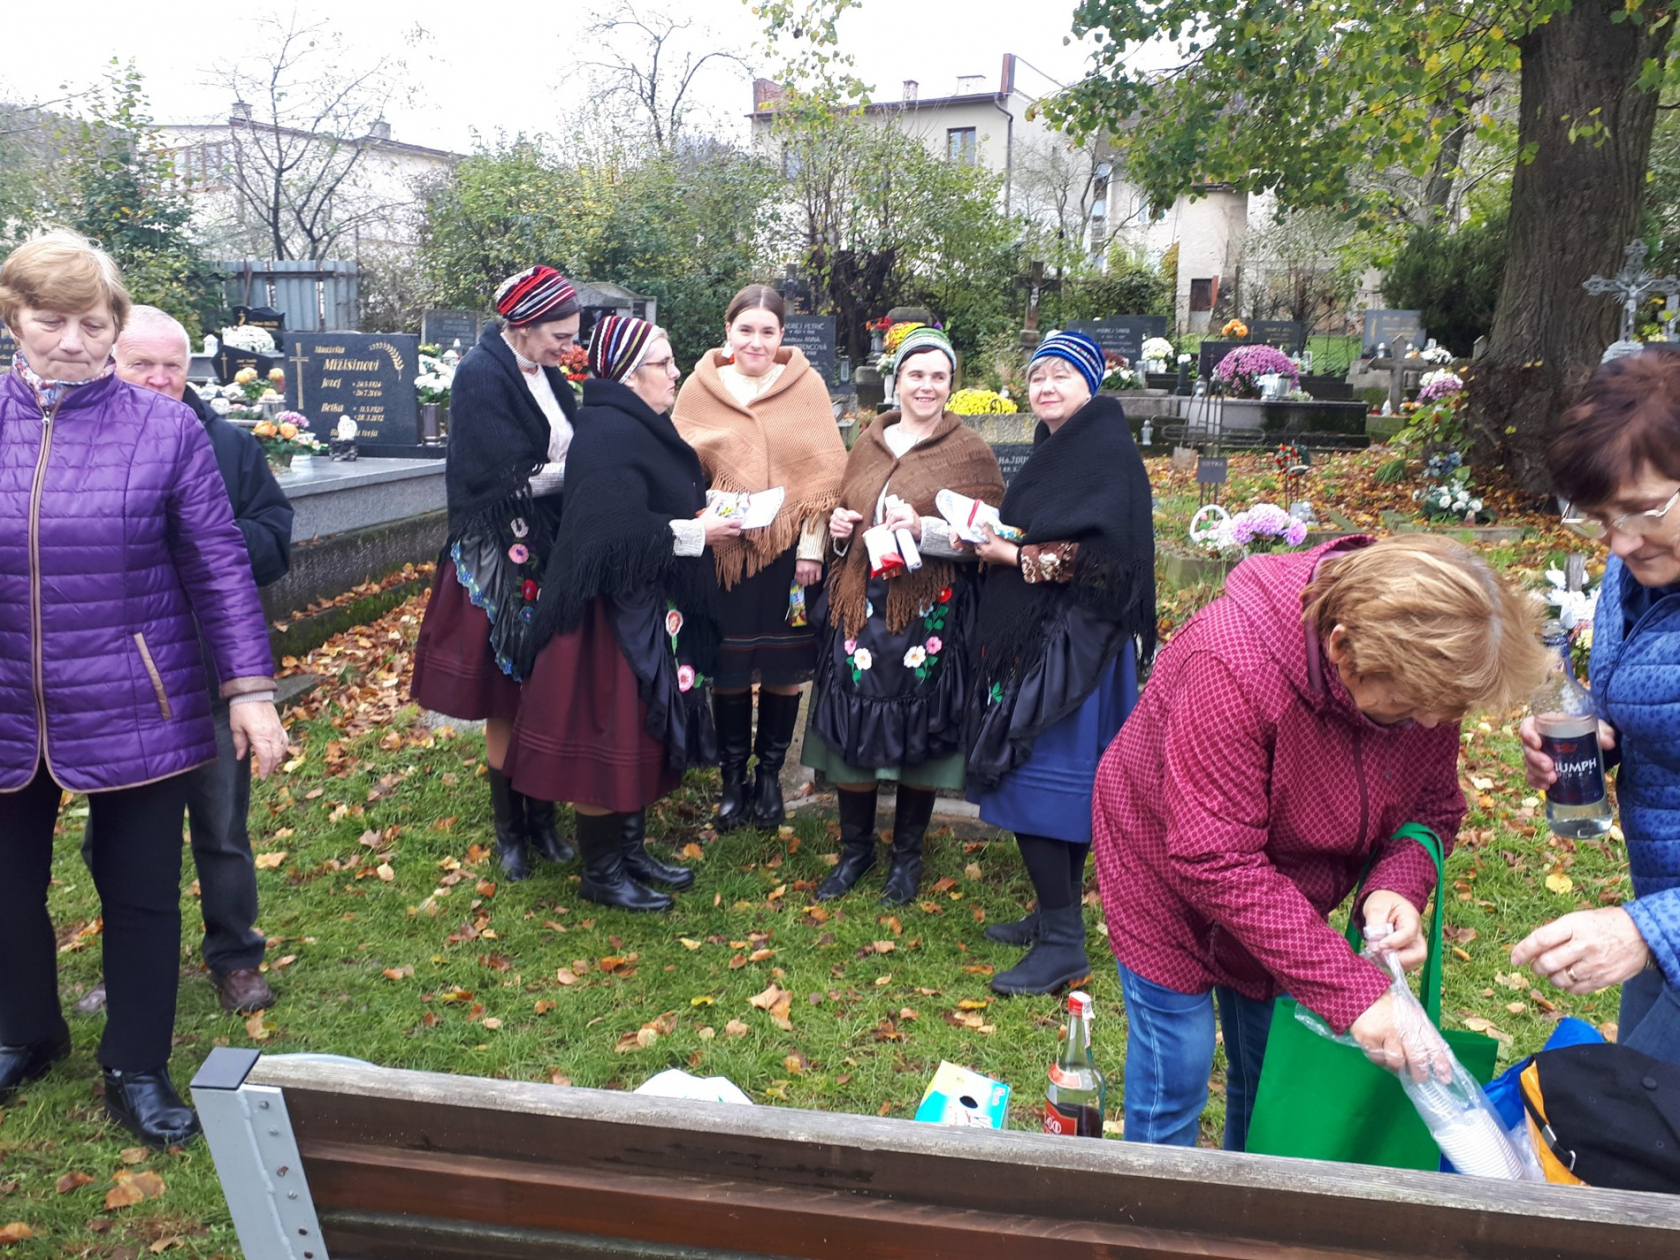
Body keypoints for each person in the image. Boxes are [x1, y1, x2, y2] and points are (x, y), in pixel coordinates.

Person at [1092, 534, 1548, 1150]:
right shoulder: (1230, 661)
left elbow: (1432, 805)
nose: (1430, 724)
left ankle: (1251, 1199)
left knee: (1273, 1068)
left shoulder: (1425, 677)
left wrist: (1397, 884)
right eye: (1409, 709)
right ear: (1341, 648)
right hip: (1163, 871)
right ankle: (1149, 1199)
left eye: (1442, 711)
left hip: (1282, 892)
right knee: (1177, 1061)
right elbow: (1215, 858)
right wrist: (1354, 993)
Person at [0, 231, 287, 1147]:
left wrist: (249, 688)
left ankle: (135, 1063)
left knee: (140, 893)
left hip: (137, 691)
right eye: (52, 321)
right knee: (8, 886)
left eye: (93, 325)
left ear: (115, 325)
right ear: (15, 317)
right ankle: (25, 1030)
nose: (73, 342)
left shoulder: (164, 429)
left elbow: (219, 564)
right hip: (7, 694)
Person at [77, 306, 293, 1018]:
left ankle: (236, 956)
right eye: (143, 365)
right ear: (111, 363)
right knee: (120, 840)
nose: (161, 378)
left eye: (174, 366)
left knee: (222, 831)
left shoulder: (228, 445)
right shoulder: (84, 443)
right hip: (119, 686)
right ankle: (133, 963)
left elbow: (274, 537)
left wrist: (204, 541)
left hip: (207, 677)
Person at [505, 316, 737, 911]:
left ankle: (628, 852)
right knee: (607, 737)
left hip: (637, 604)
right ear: (630, 375)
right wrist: (696, 532)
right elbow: (611, 534)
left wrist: (701, 508)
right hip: (602, 617)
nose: (675, 372)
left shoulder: (635, 421)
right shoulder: (609, 431)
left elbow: (646, 504)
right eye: (664, 363)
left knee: (635, 732)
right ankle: (602, 872)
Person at [964, 331, 1156, 997]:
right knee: (1056, 786)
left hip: (1075, 649)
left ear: (1090, 384)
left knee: (1039, 782)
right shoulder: (1063, 445)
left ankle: (1063, 946)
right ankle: (1055, 917)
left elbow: (1108, 565)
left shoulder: (1104, 452)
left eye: (1061, 376)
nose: (1046, 387)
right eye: (1037, 377)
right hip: (1048, 635)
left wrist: (1013, 557)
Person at [1514, 350, 1680, 1065]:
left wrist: (1649, 931)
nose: (1619, 542)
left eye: (1641, 511)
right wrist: (1590, 738)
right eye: (1600, 519)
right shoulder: (1638, 561)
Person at [803, 327, 1005, 905]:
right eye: (916, 374)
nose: (927, 385)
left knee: (923, 729)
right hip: (860, 604)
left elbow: (986, 537)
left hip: (929, 611)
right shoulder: (868, 442)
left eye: (939, 376)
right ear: (897, 380)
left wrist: (926, 530)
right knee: (852, 722)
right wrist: (841, 529)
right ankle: (855, 851)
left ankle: (906, 858)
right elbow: (846, 515)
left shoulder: (970, 451)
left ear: (951, 385)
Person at [411, 265, 581, 881]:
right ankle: (512, 832)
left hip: (547, 541)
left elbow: (566, 442)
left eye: (572, 335)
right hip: (498, 551)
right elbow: (506, 478)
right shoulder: (482, 374)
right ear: (522, 325)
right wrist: (585, 469)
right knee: (509, 695)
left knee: (546, 685)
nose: (569, 347)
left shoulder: (549, 373)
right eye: (560, 336)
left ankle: (543, 819)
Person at [672, 285, 847, 832]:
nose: (756, 341)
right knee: (727, 664)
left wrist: (812, 550)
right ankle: (733, 781)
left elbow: (824, 478)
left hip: (790, 557)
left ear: (781, 335)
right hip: (724, 553)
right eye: (745, 329)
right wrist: (704, 520)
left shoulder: (805, 386)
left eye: (767, 331)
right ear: (728, 331)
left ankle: (768, 777)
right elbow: (680, 469)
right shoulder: (700, 388)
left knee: (782, 664)